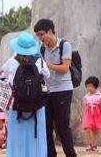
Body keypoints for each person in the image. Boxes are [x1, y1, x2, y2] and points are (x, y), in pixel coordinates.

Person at [2, 31, 50, 157]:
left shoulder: (11, 62)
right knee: (37, 139)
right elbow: (47, 76)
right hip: (37, 108)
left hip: (17, 108)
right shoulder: (40, 62)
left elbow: (1, 75)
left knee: (16, 140)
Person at [33, 18, 76, 157]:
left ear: (50, 31)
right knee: (46, 126)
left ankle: (71, 154)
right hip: (47, 91)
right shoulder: (42, 49)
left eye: (41, 34)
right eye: (38, 36)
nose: (40, 38)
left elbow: (64, 67)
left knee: (62, 126)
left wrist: (46, 64)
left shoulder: (65, 45)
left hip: (63, 90)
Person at [82, 76, 101, 152]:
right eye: (87, 86)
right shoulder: (86, 96)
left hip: (97, 115)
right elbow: (85, 106)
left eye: (91, 86)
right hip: (88, 115)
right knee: (87, 128)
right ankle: (88, 144)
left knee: (95, 131)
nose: (89, 88)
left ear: (95, 87)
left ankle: (94, 145)